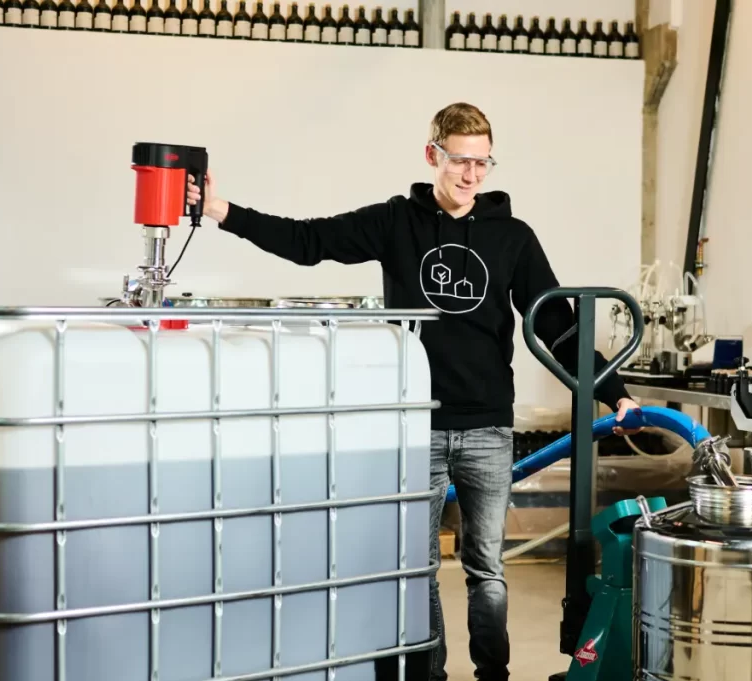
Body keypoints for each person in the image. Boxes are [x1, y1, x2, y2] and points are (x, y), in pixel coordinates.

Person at [187, 102, 641, 681]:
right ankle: (428, 674)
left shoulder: (513, 237)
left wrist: (614, 392)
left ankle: (494, 675)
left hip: (487, 426)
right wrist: (222, 211)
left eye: (482, 162)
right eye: (460, 161)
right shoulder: (396, 222)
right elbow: (308, 241)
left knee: (486, 568)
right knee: (416, 570)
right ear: (433, 155)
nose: (471, 175)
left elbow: (558, 327)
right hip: (415, 424)